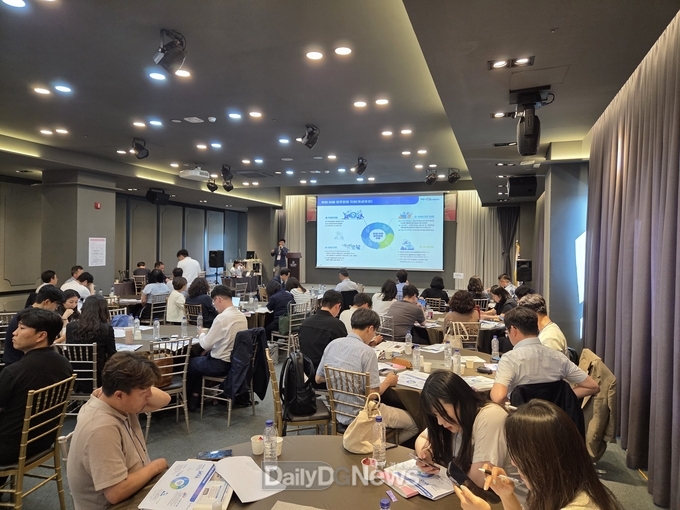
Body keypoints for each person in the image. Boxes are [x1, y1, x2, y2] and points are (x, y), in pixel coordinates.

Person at [454, 400, 622, 510]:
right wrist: (506, 495)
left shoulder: (579, 506)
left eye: (519, 455)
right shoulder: (560, 488)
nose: (513, 462)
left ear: (542, 458)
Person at [67, 352, 171, 508]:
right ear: (119, 396)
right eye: (144, 393)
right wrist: (156, 466)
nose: (149, 397)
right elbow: (116, 493)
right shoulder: (102, 428)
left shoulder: (113, 401)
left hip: (135, 490)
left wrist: (142, 387)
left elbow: (165, 399)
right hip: (116, 504)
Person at [315, 308, 419, 442]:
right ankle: (378, 447)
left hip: (338, 412)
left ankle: (372, 442)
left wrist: (341, 378)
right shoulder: (367, 352)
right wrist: (388, 381)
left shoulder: (332, 345)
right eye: (374, 332)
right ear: (370, 328)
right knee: (414, 424)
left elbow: (318, 378)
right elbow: (372, 394)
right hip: (364, 414)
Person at [0, 308, 73, 470]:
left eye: (22, 328)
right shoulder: (64, 364)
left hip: (10, 447)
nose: (14, 333)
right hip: (42, 439)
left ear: (41, 336)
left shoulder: (14, 372)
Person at [415, 371, 513, 489]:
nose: (440, 421)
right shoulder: (454, 422)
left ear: (459, 401)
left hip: (504, 498)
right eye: (435, 415)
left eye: (442, 413)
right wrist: (427, 454)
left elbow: (479, 480)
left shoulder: (490, 417)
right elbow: (422, 438)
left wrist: (443, 471)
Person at [490, 308, 599, 404]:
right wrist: (562, 399)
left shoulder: (509, 359)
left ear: (514, 330)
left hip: (522, 418)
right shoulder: (558, 357)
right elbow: (592, 386)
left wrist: (514, 404)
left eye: (507, 331)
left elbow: (498, 397)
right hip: (554, 417)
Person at [187, 285, 248, 411]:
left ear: (218, 299)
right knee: (200, 359)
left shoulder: (222, 318)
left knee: (190, 363)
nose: (214, 306)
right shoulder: (241, 316)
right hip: (236, 364)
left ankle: (192, 399)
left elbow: (205, 344)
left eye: (214, 302)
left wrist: (202, 334)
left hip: (220, 364)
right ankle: (196, 397)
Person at [3, 285, 63, 365]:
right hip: (19, 362)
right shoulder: (29, 317)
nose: (56, 308)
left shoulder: (27, 314)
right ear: (47, 302)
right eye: (56, 305)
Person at [66, 295, 116, 388]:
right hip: (98, 377)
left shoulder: (71, 326)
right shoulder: (106, 328)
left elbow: (70, 349)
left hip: (74, 376)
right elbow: (112, 354)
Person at [298, 290, 347, 384]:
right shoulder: (337, 325)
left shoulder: (305, 322)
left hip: (304, 374)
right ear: (337, 306)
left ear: (321, 303)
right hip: (326, 377)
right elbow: (344, 353)